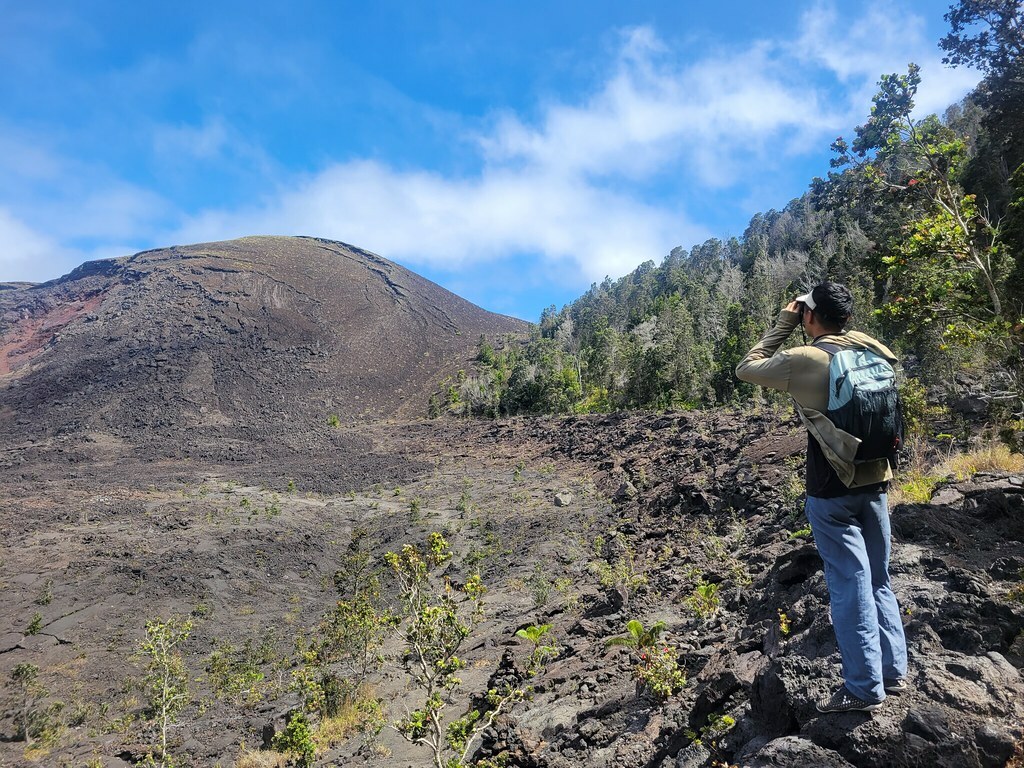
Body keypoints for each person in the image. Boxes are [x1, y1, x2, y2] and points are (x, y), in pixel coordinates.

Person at [735, 281, 908, 714]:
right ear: (848, 316)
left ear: (809, 316)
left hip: (832, 491)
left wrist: (784, 322)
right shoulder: (874, 349)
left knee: (850, 586)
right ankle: (894, 671)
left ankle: (864, 689)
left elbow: (747, 366)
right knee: (879, 579)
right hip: (876, 481)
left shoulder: (803, 359)